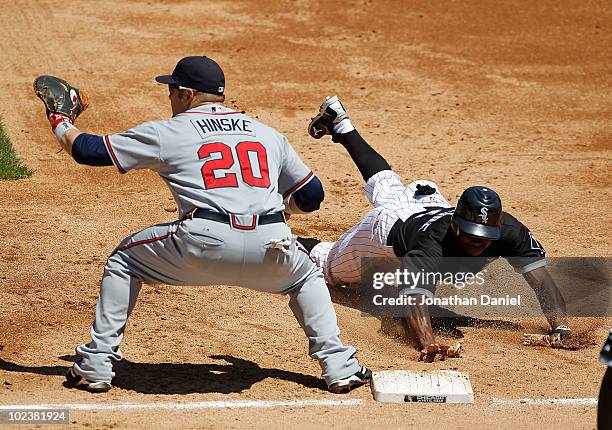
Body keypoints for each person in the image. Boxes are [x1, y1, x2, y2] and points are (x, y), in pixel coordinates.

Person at [33, 58, 371, 393]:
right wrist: (279, 212)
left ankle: (95, 365)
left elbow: (87, 151)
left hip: (202, 244)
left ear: (187, 93)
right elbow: (312, 195)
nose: (170, 99)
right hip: (271, 247)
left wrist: (60, 119)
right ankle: (339, 366)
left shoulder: (168, 132)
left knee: (125, 259)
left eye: (171, 92)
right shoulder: (268, 134)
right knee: (306, 276)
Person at [299, 96, 571, 361]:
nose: (479, 242)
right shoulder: (431, 245)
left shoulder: (510, 231)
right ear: (456, 226)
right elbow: (415, 298)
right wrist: (427, 342)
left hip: (426, 202)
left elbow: (541, 280)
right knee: (329, 266)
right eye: (472, 235)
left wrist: (561, 327)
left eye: (485, 236)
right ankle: (289, 239)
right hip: (386, 229)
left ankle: (341, 125)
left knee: (386, 183)